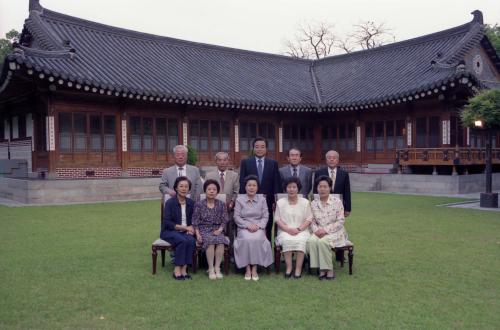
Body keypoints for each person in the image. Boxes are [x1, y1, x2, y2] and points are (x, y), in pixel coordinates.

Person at [307, 176, 352, 280]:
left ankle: (328, 270)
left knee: (323, 242)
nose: (322, 189)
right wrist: (316, 230)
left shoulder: (337, 202)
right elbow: (311, 220)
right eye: (320, 186)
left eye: (325, 186)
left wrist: (325, 230)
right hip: (319, 231)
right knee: (311, 240)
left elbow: (340, 221)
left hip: (336, 232)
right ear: (317, 188)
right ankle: (319, 267)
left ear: (330, 188)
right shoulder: (313, 204)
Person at [239, 137, 281, 240]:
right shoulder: (246, 162)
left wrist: (276, 200)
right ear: (253, 148)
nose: (259, 149)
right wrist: (242, 199)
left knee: (267, 224)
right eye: (257, 147)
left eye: (262, 147)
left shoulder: (273, 163)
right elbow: (242, 182)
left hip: (269, 200)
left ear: (266, 149)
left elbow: (276, 183)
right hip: (250, 200)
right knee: (250, 226)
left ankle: (266, 250)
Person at [234, 175, 273, 281]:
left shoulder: (262, 199)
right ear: (245, 187)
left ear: (257, 187)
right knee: (246, 239)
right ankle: (247, 268)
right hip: (244, 226)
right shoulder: (239, 199)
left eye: (254, 185)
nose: (251, 187)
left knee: (257, 239)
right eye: (249, 185)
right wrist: (247, 225)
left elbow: (266, 216)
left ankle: (254, 268)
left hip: (258, 227)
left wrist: (259, 226)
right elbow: (236, 217)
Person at [274, 177, 312, 279]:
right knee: (287, 240)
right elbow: (277, 219)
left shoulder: (305, 202)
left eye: (294, 187)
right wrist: (288, 229)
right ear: (286, 189)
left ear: (298, 188)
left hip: (302, 230)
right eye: (289, 187)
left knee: (301, 241)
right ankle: (289, 268)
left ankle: (298, 269)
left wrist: (298, 229)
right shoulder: (280, 202)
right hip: (285, 230)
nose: (291, 189)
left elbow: (309, 219)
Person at [160, 176, 196, 280]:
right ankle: (177, 270)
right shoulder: (170, 203)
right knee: (182, 240)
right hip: (170, 231)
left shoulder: (191, 203)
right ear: (176, 188)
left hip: (186, 232)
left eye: (186, 186)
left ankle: (184, 269)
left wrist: (192, 228)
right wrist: (185, 228)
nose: (184, 188)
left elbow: (195, 219)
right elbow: (167, 222)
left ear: (189, 189)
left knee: (191, 240)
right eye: (181, 186)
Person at [192, 179, 229, 280]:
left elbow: (225, 219)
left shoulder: (221, 204)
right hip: (204, 230)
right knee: (210, 241)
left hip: (217, 229)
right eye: (209, 189)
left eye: (214, 189)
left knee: (221, 240)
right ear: (205, 191)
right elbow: (195, 221)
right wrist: (198, 234)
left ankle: (217, 268)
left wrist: (220, 230)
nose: (212, 191)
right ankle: (211, 268)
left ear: (217, 192)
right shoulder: (199, 204)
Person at [205, 152, 239, 251]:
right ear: (216, 161)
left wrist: (232, 202)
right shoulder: (209, 175)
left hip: (230, 209)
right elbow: (206, 192)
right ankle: (212, 252)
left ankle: (231, 253)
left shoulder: (234, 175)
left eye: (225, 160)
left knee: (231, 228)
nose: (222, 162)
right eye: (220, 160)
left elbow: (236, 192)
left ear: (228, 161)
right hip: (213, 210)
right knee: (212, 229)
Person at [313, 150, 351, 216]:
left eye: (334, 158)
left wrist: (348, 208)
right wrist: (315, 206)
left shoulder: (344, 174)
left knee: (337, 224)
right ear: (326, 159)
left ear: (338, 160)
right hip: (322, 204)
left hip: (339, 204)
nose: (332, 159)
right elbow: (315, 190)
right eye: (329, 157)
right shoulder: (319, 173)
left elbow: (347, 192)